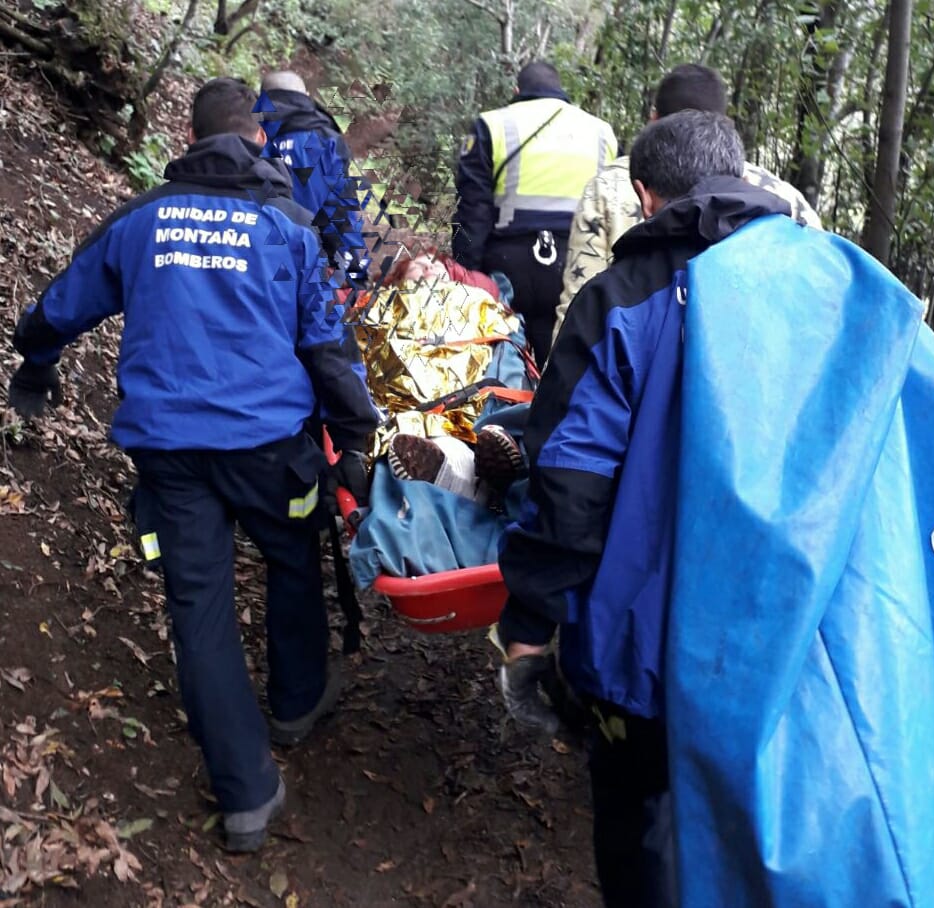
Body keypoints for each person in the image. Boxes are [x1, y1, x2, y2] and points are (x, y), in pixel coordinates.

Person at [6, 77, 379, 852]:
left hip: (169, 453)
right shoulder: (286, 225)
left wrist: (35, 364)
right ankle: (297, 702)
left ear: (188, 136)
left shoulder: (141, 220)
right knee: (290, 559)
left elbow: (57, 305)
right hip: (268, 451)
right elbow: (326, 347)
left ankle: (245, 795)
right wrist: (356, 436)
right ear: (258, 139)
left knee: (198, 608)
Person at [492, 110, 794, 906]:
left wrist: (527, 623)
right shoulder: (819, 286)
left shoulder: (623, 298)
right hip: (787, 631)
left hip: (645, 644)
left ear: (641, 194)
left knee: (640, 830)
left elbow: (570, 483)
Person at [552, 63, 822, 341]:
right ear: (723, 124)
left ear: (654, 120)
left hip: (635, 362)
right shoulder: (785, 198)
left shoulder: (610, 186)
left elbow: (578, 305)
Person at [453, 61, 617, 367]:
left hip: (508, 266)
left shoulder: (492, 125)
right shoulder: (601, 132)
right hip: (577, 265)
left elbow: (472, 210)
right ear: (561, 92)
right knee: (565, 364)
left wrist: (465, 276)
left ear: (517, 91)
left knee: (503, 360)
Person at [259, 70, 368, 289]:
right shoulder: (326, 139)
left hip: (256, 257)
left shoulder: (248, 132)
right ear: (306, 96)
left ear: (263, 96)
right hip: (312, 259)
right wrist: (354, 270)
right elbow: (339, 206)